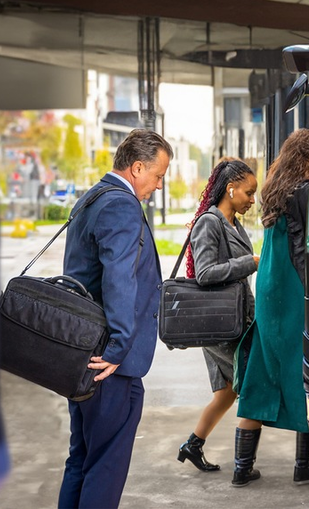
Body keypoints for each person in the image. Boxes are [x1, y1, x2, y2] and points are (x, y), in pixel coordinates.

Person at [58, 128, 173, 509]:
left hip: (82, 352)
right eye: (157, 175)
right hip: (108, 362)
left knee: (83, 457)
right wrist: (119, 348)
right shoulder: (121, 205)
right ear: (137, 167)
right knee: (105, 464)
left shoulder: (91, 198)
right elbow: (118, 278)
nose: (157, 185)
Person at [233, 128, 309, 486]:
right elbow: (303, 249)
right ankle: (303, 466)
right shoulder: (305, 192)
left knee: (261, 372)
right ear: (308, 158)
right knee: (301, 373)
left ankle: (241, 467)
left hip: (270, 285)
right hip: (292, 285)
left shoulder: (273, 190)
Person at [177, 158, 259, 471]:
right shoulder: (209, 223)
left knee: (228, 393)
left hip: (230, 318)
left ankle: (192, 446)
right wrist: (249, 262)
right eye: (249, 193)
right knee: (252, 384)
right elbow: (206, 273)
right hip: (219, 323)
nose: (252, 199)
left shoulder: (232, 223)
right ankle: (244, 466)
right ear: (231, 188)